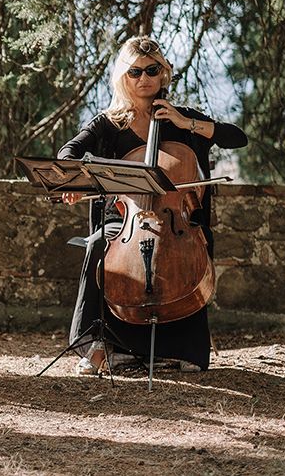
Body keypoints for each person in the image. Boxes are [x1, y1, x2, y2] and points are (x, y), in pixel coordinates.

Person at [58, 36, 247, 374]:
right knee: (99, 242)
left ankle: (179, 349)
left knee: (186, 252)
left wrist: (185, 123)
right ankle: (99, 346)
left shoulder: (183, 119)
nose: (143, 78)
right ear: (123, 77)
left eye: (152, 70)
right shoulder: (109, 123)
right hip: (127, 222)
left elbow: (236, 137)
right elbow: (68, 152)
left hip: (177, 223)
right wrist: (74, 181)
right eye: (135, 72)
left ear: (164, 73)